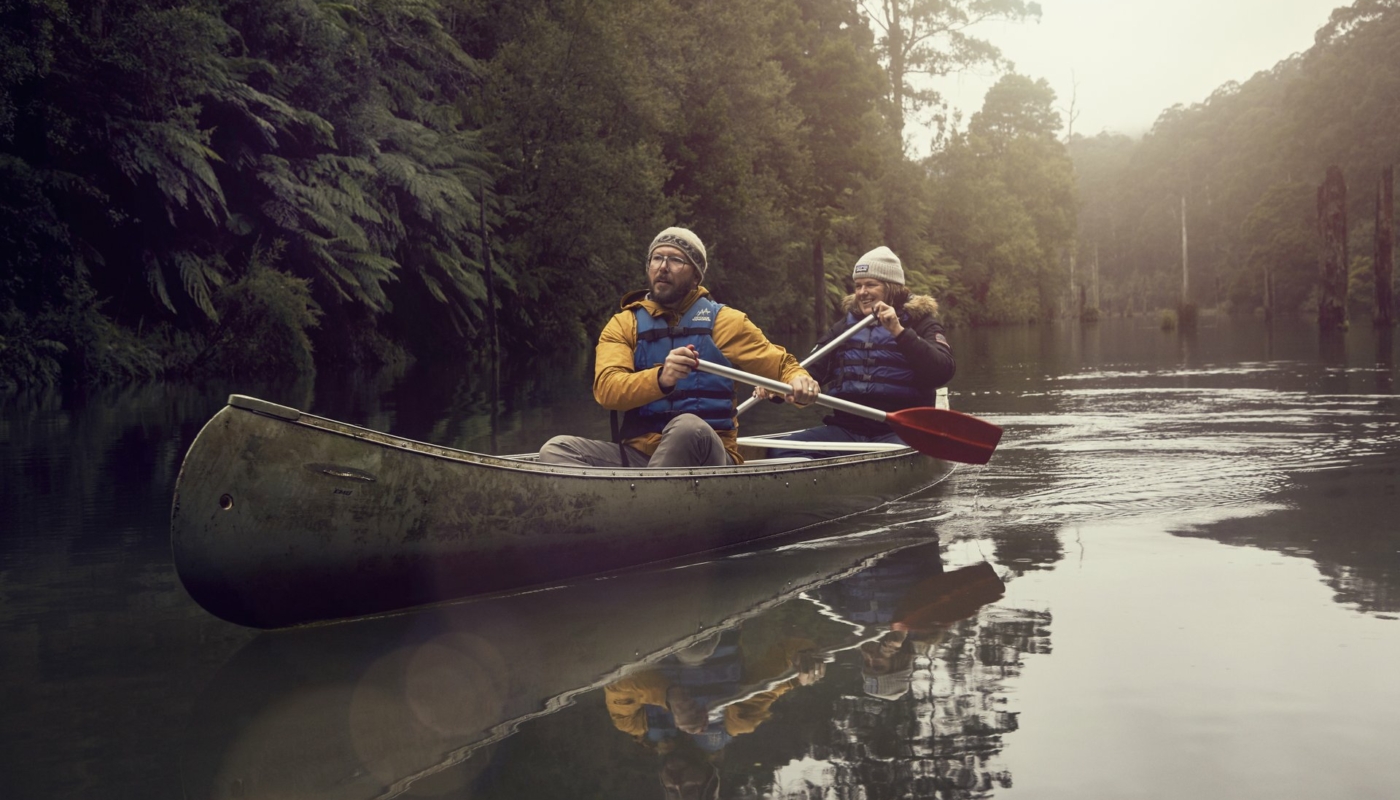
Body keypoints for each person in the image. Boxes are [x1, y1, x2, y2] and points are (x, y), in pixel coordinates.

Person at [539, 227, 819, 467]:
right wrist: (662, 378)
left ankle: (638, 509)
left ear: (696, 276)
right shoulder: (624, 324)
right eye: (657, 258)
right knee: (556, 449)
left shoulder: (725, 321)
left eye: (675, 260)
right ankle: (633, 506)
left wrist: (799, 380)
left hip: (708, 456)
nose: (663, 266)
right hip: (640, 456)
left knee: (688, 427)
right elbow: (608, 390)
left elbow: (780, 366)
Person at [755, 246, 954, 458]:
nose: (862, 292)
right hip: (847, 431)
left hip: (902, 432)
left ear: (892, 287)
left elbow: (942, 370)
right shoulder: (843, 328)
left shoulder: (922, 323)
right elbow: (810, 370)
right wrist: (777, 385)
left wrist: (898, 331)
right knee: (779, 449)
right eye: (858, 285)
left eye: (870, 284)